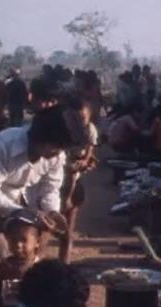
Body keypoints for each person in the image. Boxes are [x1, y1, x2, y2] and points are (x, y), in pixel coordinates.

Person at [0, 105, 72, 307]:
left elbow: (50, 188)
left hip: (25, 202)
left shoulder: (56, 155)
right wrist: (25, 214)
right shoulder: (2, 145)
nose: (56, 154)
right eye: (53, 148)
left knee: (30, 260)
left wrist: (51, 212)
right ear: (39, 140)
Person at [59, 97, 98, 263]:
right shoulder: (60, 131)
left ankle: (64, 262)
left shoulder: (89, 130)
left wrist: (85, 160)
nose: (79, 123)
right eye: (75, 119)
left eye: (82, 119)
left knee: (68, 228)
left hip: (73, 169)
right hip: (60, 172)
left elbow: (90, 150)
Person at [0, 214, 41, 307]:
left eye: (24, 240)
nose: (18, 245)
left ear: (37, 242)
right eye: (13, 240)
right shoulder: (5, 266)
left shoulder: (40, 268)